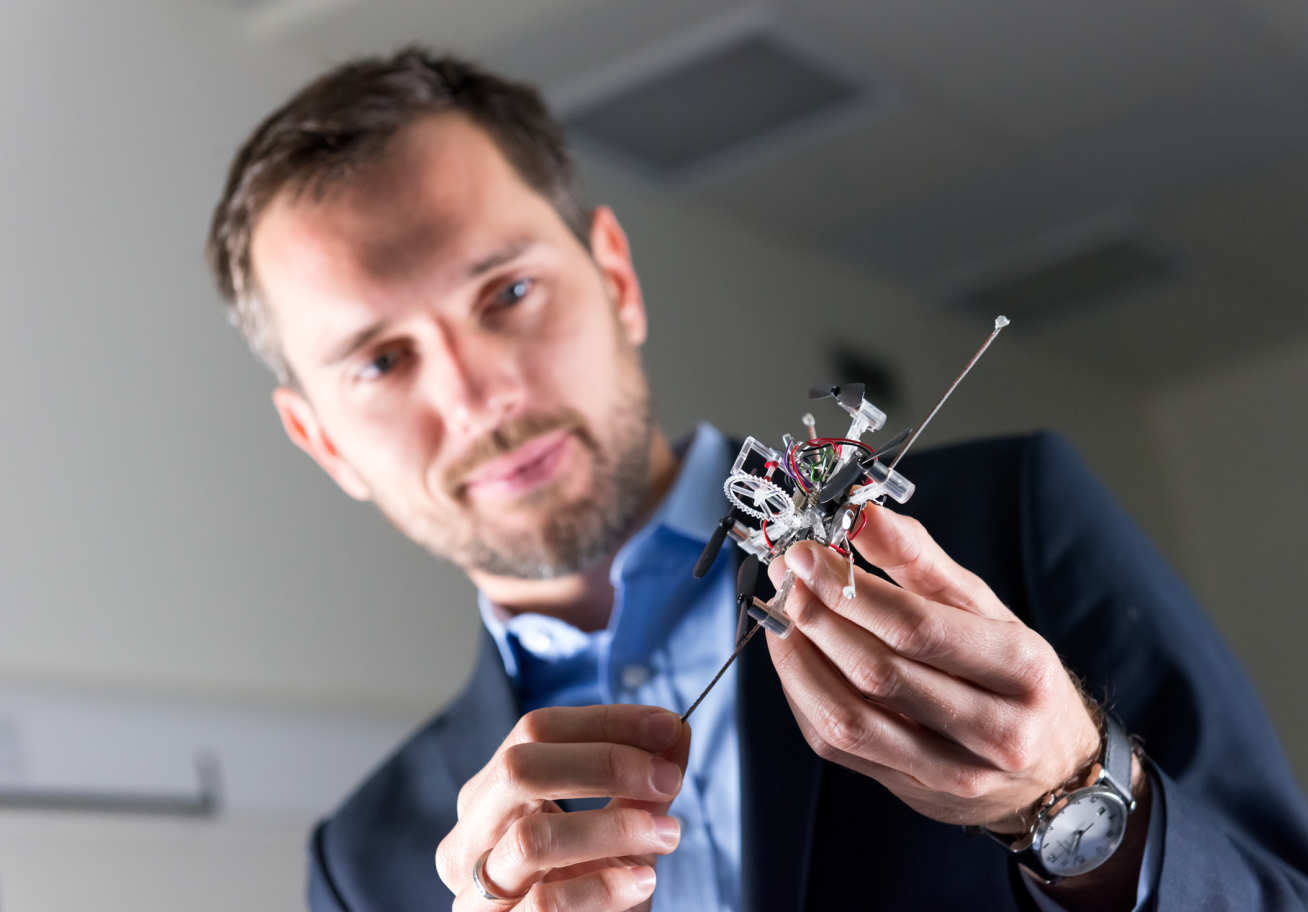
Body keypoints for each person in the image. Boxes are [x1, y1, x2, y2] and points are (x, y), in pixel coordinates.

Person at [205, 48, 1308, 911]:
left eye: (506, 293)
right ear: (324, 443)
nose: (480, 392)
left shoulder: (1006, 520)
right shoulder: (367, 866)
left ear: (617, 280)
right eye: (382, 361)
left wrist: (1076, 804)